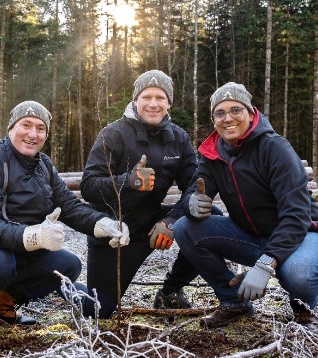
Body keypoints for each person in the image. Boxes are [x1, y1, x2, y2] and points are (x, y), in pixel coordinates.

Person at [0, 101, 130, 339]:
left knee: (68, 265)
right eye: (26, 125)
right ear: (11, 128)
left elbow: (69, 207)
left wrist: (104, 225)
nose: (33, 134)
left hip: (14, 246)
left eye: (41, 128)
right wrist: (33, 236)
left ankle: (1, 302)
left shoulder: (44, 165)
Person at [173, 82, 318, 328]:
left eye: (236, 110)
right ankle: (234, 303)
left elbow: (297, 214)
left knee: (298, 273)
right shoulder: (213, 154)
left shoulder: (274, 148)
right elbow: (195, 188)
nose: (228, 119)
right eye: (220, 113)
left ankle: (305, 309)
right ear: (213, 119)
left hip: (303, 233)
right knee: (185, 228)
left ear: (250, 112)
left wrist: (266, 264)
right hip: (251, 236)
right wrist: (191, 202)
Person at [80, 70, 221, 318]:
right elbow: (89, 186)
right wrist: (128, 181)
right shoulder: (112, 134)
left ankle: (170, 292)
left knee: (211, 216)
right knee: (98, 310)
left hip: (153, 225)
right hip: (114, 230)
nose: (153, 104)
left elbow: (193, 186)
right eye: (146, 97)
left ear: (169, 103)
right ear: (136, 100)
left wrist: (173, 220)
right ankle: (63, 286)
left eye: (160, 97)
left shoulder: (178, 138)